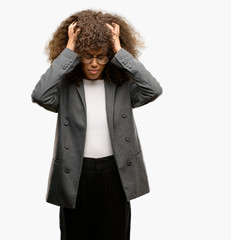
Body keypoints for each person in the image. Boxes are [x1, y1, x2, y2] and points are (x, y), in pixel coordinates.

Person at [31, 9, 162, 240]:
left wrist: (119, 51)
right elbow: (40, 95)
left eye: (101, 56)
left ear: (109, 56)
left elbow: (153, 89)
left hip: (116, 173)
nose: (93, 63)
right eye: (86, 56)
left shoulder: (122, 85)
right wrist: (69, 51)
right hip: (76, 175)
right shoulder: (65, 88)